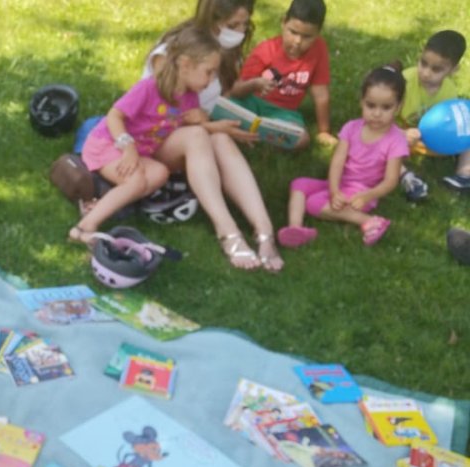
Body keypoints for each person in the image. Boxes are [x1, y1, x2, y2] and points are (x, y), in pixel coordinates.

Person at [70, 26, 282, 272]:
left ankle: (262, 231)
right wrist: (127, 147)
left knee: (158, 173)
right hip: (111, 144)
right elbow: (115, 115)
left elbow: (178, 125)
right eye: (209, 72)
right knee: (138, 180)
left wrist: (211, 124)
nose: (212, 79)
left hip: (146, 148)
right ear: (185, 65)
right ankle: (86, 226)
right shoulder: (150, 87)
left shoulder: (190, 97)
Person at [141, 0, 285, 272]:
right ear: (212, 19)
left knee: (219, 139)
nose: (240, 31)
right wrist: (212, 127)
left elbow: (217, 98)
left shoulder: (223, 51)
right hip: (154, 140)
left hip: (197, 135)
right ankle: (227, 231)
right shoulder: (171, 56)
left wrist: (234, 118)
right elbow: (162, 118)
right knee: (201, 136)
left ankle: (264, 230)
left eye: (245, 24)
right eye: (233, 25)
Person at [277, 65, 410, 248]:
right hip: (340, 184)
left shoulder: (396, 140)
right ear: (361, 102)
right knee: (299, 184)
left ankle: (370, 221)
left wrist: (366, 195)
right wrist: (333, 190)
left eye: (386, 107)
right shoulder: (352, 128)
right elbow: (337, 162)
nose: (377, 113)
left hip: (362, 193)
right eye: (371, 105)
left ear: (398, 107)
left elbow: (390, 180)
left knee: (314, 203)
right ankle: (296, 228)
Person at [228, 0, 336, 149]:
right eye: (293, 32)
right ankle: (259, 132)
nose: (297, 41)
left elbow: (321, 94)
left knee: (302, 139)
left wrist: (324, 131)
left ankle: (253, 133)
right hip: (251, 102)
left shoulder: (319, 50)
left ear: (318, 33)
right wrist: (255, 84)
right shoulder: (266, 49)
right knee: (223, 105)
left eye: (307, 36)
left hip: (284, 113)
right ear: (283, 22)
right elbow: (237, 89)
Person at [396, 30, 470, 200]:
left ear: (453, 70)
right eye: (423, 63)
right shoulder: (404, 82)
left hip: (436, 144)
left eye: (436, 69)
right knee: (379, 143)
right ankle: (408, 178)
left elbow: (451, 122)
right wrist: (402, 134)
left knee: (468, 128)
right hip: (404, 138)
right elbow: (384, 120)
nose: (426, 73)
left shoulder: (449, 90)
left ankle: (464, 175)